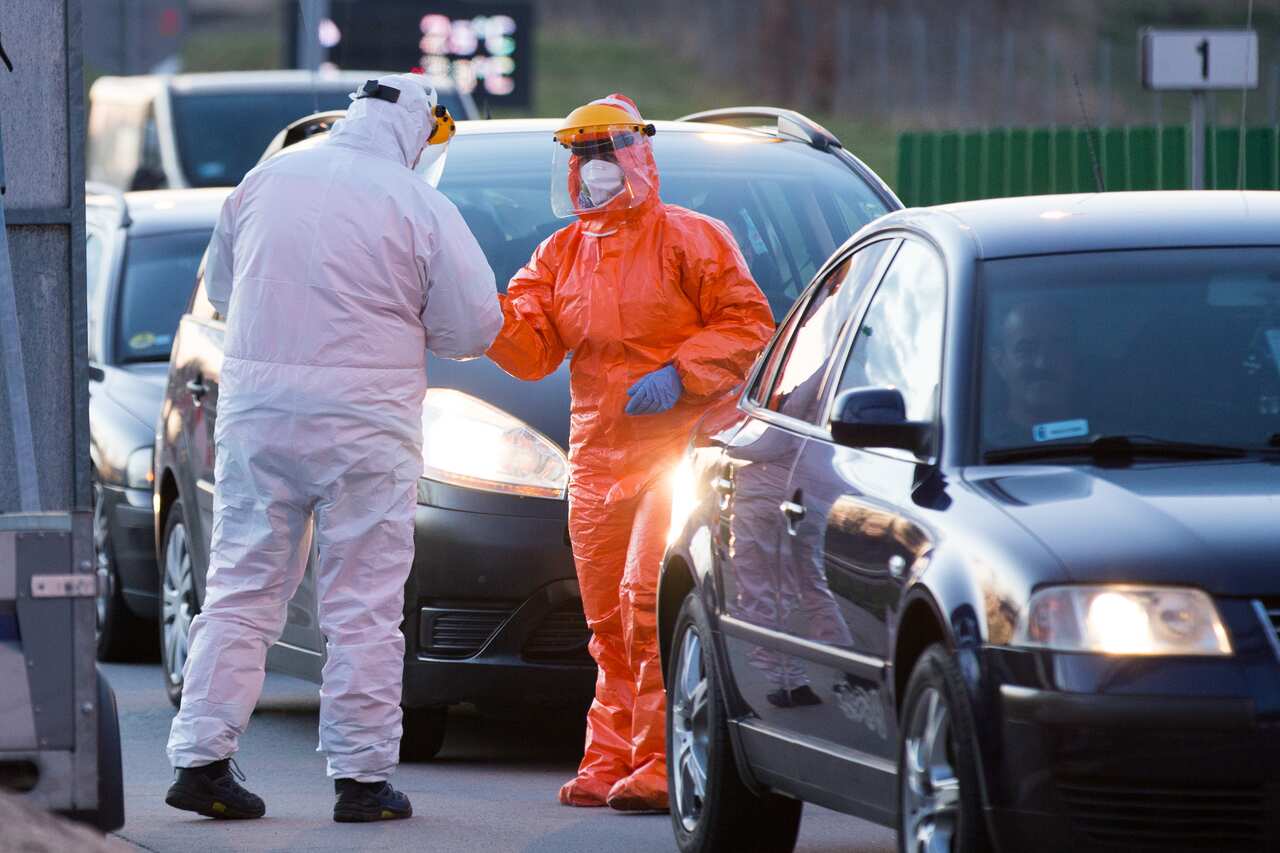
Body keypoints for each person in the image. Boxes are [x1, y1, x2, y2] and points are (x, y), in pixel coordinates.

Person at [164, 73, 502, 823]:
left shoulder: (266, 179)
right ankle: (362, 779)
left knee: (241, 588)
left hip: (258, 420)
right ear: (417, 128)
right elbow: (475, 326)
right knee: (363, 605)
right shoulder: (416, 201)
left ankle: (201, 757)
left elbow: (222, 286)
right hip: (363, 430)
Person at [486, 94, 774, 812]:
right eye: (581, 156)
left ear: (637, 155)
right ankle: (609, 755)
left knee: (646, 602)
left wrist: (681, 372)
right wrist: (476, 314)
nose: (593, 169)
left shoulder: (691, 239)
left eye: (604, 153)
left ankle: (658, 762)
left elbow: (748, 324)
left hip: (674, 449)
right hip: (597, 460)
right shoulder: (560, 254)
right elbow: (530, 347)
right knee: (606, 624)